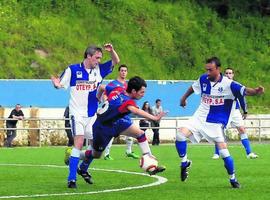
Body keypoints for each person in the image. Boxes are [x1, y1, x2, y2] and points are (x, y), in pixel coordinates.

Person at [176, 57, 264, 188]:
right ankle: (185, 162)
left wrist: (256, 92)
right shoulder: (203, 79)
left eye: (210, 70)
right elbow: (193, 88)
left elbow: (244, 91)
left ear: (218, 69)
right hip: (199, 118)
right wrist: (183, 98)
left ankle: (233, 179)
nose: (207, 73)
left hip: (216, 122)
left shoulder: (229, 84)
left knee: (224, 153)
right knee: (180, 135)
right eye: (206, 70)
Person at [51, 43, 120, 188]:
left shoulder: (99, 70)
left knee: (97, 148)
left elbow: (115, 62)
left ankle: (81, 167)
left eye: (100, 58)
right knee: (79, 142)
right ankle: (71, 179)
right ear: (88, 56)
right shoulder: (73, 70)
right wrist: (56, 84)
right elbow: (60, 84)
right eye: (97, 58)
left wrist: (112, 51)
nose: (99, 61)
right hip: (77, 114)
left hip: (92, 115)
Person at [78, 76, 166, 184]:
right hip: (103, 128)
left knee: (140, 134)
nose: (143, 94)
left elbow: (101, 87)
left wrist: (99, 99)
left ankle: (149, 159)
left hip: (118, 121)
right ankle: (75, 156)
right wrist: (155, 118)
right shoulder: (128, 102)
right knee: (96, 154)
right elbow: (136, 111)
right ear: (133, 91)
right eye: (142, 92)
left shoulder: (118, 88)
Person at [212, 67, 258, 159]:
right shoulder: (220, 85)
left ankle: (249, 153)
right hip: (223, 111)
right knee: (219, 131)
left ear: (233, 75)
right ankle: (217, 153)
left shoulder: (236, 85)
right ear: (224, 75)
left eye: (230, 73)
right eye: (227, 73)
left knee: (242, 129)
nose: (228, 75)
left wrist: (245, 111)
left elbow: (242, 98)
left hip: (235, 111)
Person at [98, 64, 139, 160]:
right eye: (122, 70)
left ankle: (129, 151)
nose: (123, 72)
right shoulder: (113, 84)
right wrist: (106, 101)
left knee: (132, 133)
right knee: (112, 133)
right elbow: (105, 94)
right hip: (115, 113)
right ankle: (107, 154)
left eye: (125, 71)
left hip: (124, 112)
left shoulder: (128, 85)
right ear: (119, 72)